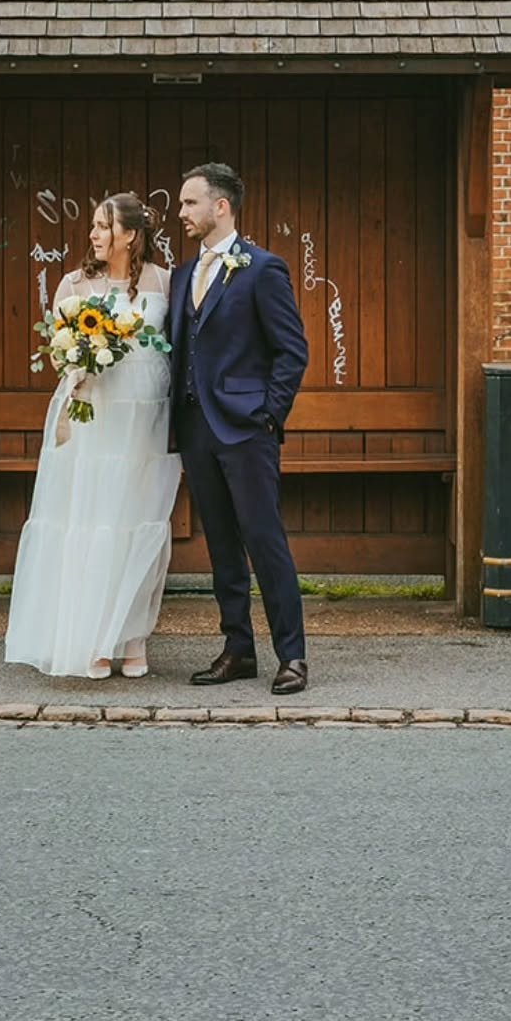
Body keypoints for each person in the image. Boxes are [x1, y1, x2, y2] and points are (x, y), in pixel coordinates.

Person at [5, 193, 180, 680]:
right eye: (95, 225)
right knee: (92, 520)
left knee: (139, 521)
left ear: (130, 234)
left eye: (103, 226)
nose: (94, 234)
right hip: (94, 417)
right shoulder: (75, 283)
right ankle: (92, 636)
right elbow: (59, 354)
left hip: (146, 421)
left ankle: (133, 636)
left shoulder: (165, 281)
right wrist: (78, 359)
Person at [169, 162, 311, 695]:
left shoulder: (262, 269)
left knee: (264, 541)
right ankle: (238, 649)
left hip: (247, 430)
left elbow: (291, 351)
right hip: (196, 429)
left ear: (221, 206)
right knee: (222, 548)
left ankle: (292, 656)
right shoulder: (182, 276)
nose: (181, 213)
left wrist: (269, 415)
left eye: (190, 203)